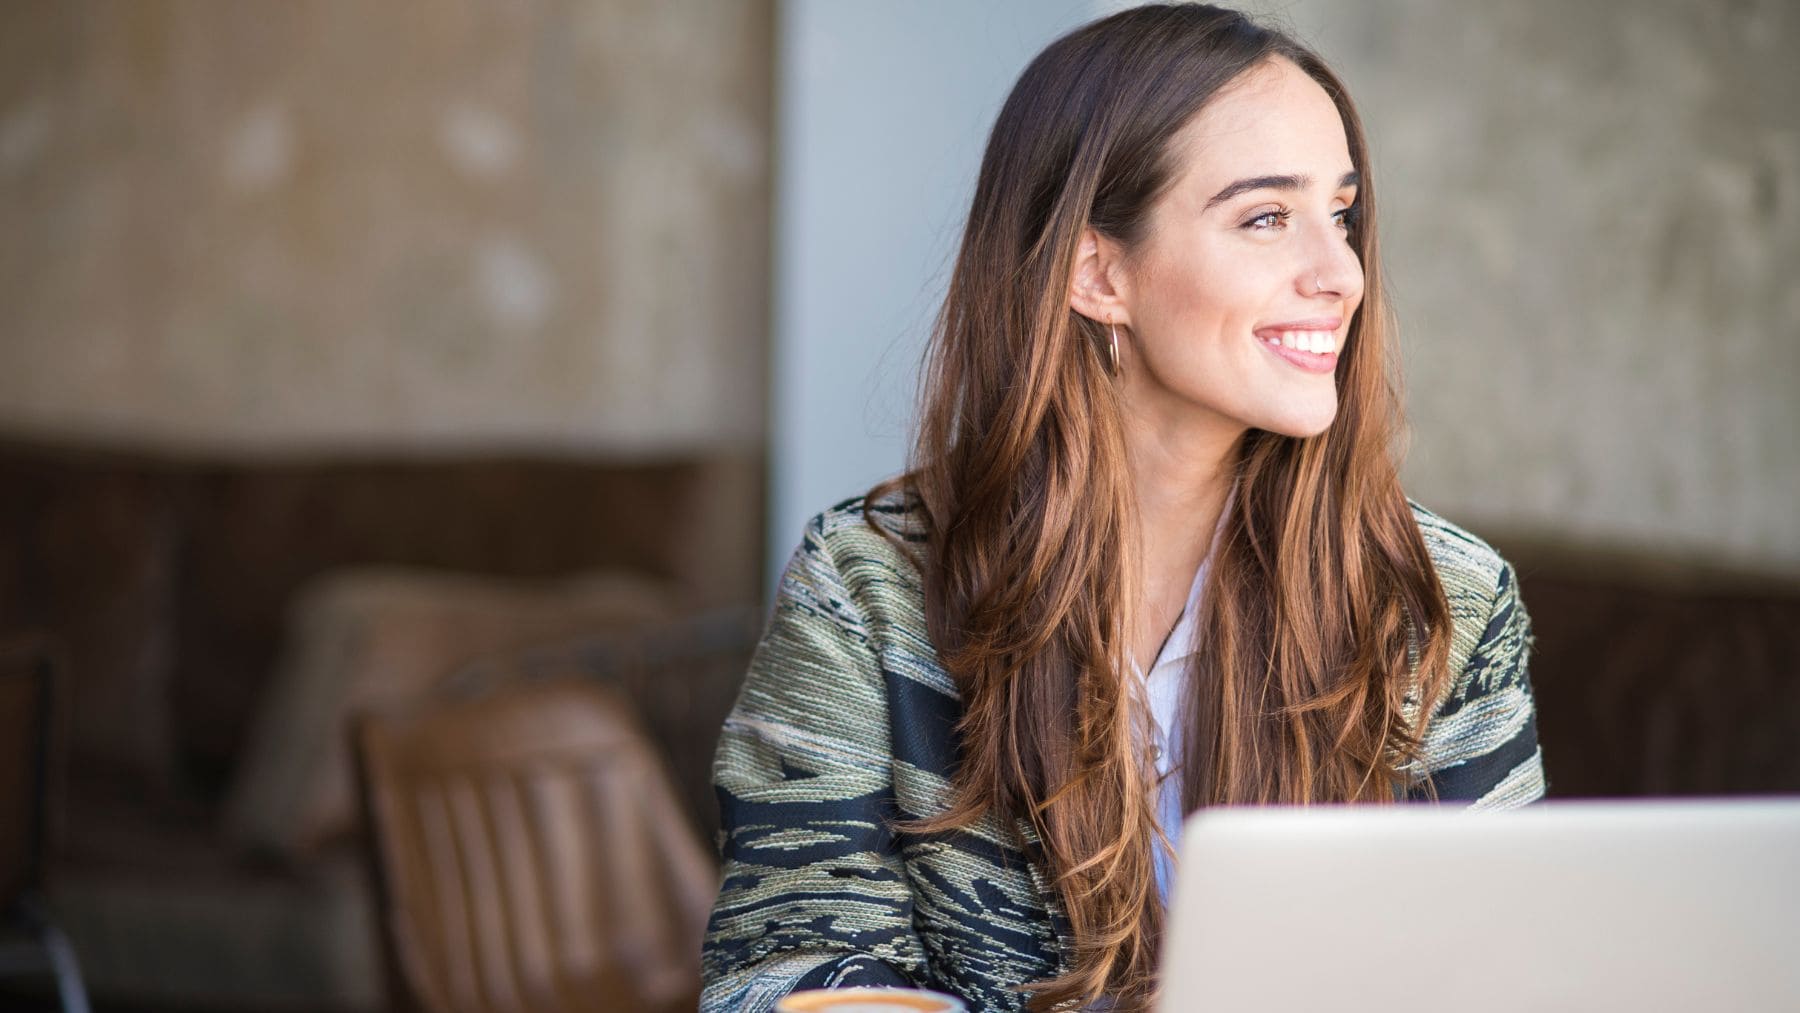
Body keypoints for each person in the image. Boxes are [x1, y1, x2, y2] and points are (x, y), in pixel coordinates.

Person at [701, 4, 1545, 1011]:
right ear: (1099, 271)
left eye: (1344, 213)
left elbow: (1505, 966)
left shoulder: (1441, 598)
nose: (1341, 274)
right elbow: (786, 971)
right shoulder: (865, 587)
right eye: (1267, 217)